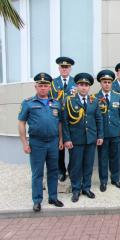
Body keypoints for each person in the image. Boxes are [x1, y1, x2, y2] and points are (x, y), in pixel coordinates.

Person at [18, 72, 64, 212]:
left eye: (46, 85)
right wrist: (24, 143)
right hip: (36, 143)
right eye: (40, 85)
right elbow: (21, 123)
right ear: (36, 86)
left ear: (50, 87)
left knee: (53, 171)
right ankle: (37, 200)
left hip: (53, 142)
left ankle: (53, 197)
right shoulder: (28, 103)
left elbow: (60, 123)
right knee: (37, 173)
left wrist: (61, 139)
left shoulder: (56, 103)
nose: (43, 88)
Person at [62, 73, 104, 202]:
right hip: (75, 140)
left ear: (89, 87)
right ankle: (75, 189)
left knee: (88, 165)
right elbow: (65, 122)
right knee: (75, 166)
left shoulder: (94, 101)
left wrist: (100, 135)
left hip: (90, 139)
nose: (84, 87)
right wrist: (67, 139)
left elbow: (98, 119)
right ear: (77, 86)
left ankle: (86, 188)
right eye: (81, 85)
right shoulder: (69, 100)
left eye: (86, 85)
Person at [96, 70, 120, 192]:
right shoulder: (95, 98)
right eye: (104, 82)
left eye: (109, 82)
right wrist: (98, 134)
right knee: (103, 158)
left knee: (115, 157)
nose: (107, 84)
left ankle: (115, 179)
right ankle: (103, 181)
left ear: (111, 83)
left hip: (115, 133)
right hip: (102, 134)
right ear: (101, 83)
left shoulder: (117, 96)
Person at [50, 56, 76, 182]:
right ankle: (61, 170)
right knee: (58, 147)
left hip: (73, 119)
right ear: (59, 68)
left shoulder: (76, 82)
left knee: (73, 146)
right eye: (62, 67)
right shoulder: (53, 83)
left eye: (67, 67)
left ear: (70, 69)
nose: (64, 69)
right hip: (57, 119)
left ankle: (72, 169)